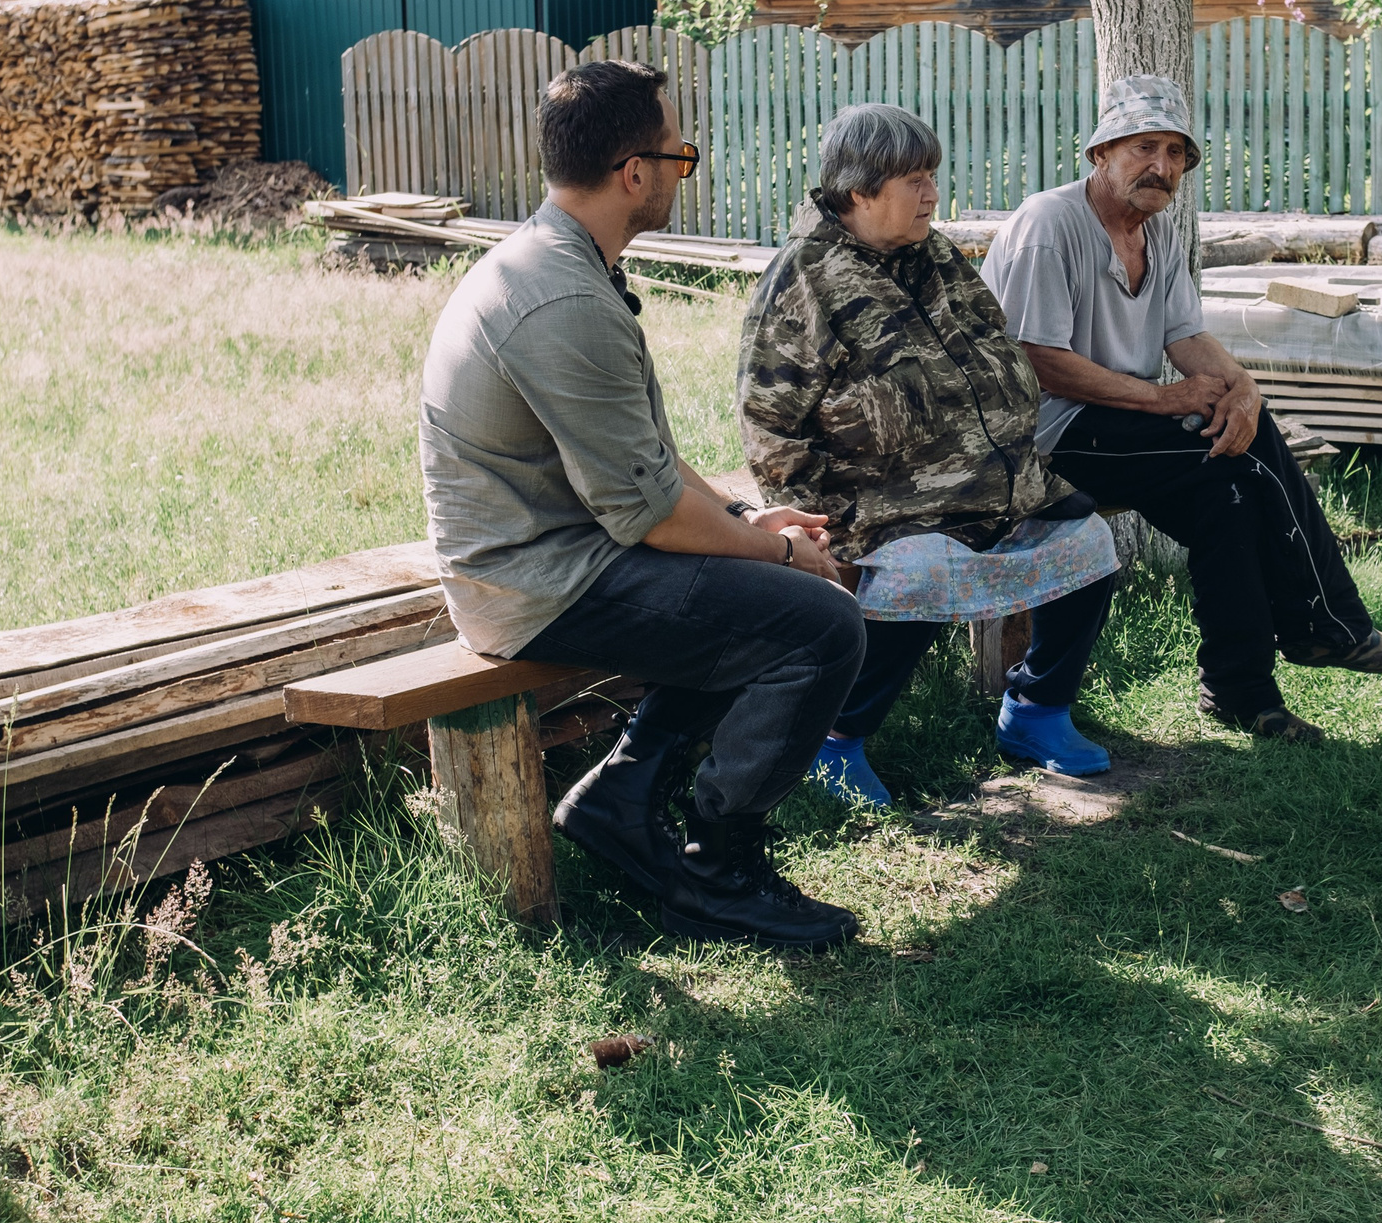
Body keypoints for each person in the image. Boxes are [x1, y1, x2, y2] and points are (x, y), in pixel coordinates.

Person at [418, 58, 868, 951]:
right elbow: (653, 518)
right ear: (635, 172)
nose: (679, 172)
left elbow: (646, 462)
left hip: (568, 552)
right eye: (679, 156)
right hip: (535, 584)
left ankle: (625, 795)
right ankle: (715, 875)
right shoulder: (559, 299)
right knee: (821, 626)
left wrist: (744, 520)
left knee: (769, 602)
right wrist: (782, 556)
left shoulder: (563, 265)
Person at [982, 74, 1382, 745]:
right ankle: (1326, 628)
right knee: (1234, 462)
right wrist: (1164, 398)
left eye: (1176, 153)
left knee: (1233, 485)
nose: (1161, 166)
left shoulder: (1154, 236)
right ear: (1102, 153)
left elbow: (1186, 338)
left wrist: (1244, 390)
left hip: (1110, 428)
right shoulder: (1051, 224)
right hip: (1034, 437)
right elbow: (1036, 359)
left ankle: (1242, 690)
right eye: (1144, 147)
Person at [739, 103, 1122, 804]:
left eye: (931, 176)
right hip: (882, 508)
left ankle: (1036, 710)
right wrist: (825, 525)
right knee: (918, 575)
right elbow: (770, 424)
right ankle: (837, 739)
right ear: (858, 190)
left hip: (989, 487)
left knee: (1088, 544)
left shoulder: (933, 254)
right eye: (915, 179)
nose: (932, 193)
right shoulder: (806, 278)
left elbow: (992, 342)